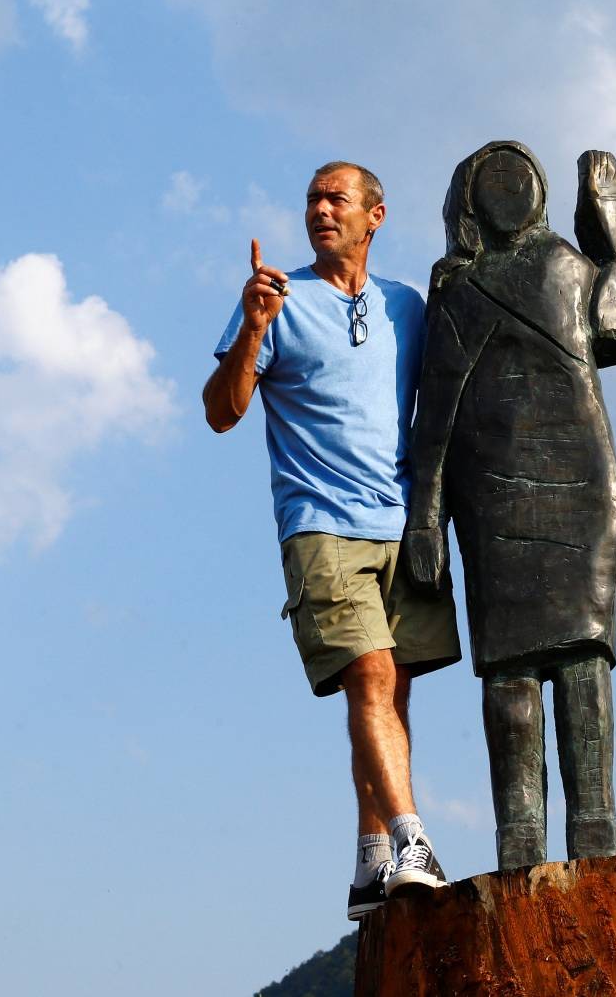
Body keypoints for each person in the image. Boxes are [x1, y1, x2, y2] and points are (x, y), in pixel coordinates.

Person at [204, 161, 461, 920]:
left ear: (374, 215)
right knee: (372, 677)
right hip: (321, 525)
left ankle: (369, 863)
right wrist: (252, 328)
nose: (320, 209)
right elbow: (222, 411)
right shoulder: (277, 302)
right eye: (312, 198)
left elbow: (436, 408)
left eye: (335, 198)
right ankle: (414, 840)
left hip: (402, 525)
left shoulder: (406, 307)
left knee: (390, 691)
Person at [403, 142, 616, 871]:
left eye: (518, 178)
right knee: (508, 672)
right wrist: (425, 512)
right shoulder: (458, 289)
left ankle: (597, 827)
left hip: (583, 484)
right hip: (492, 496)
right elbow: (434, 411)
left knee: (582, 663)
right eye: (492, 181)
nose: (508, 190)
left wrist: (615, 234)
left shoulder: (571, 267)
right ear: (469, 200)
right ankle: (520, 836)